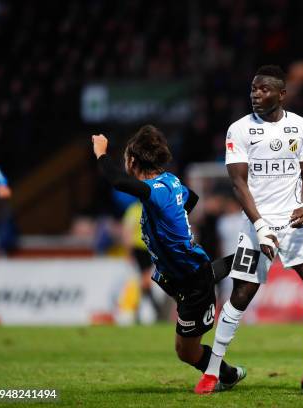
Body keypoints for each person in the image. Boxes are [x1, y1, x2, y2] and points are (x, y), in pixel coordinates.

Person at [196, 65, 303, 395]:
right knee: (241, 294)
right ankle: (212, 372)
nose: (256, 94)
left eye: (264, 89)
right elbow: (237, 183)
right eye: (253, 89)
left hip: (296, 220)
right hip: (256, 221)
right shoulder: (239, 130)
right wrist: (259, 226)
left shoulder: (301, 127)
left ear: (281, 94)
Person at [91, 125, 245, 393]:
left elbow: (118, 182)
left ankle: (229, 374)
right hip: (182, 277)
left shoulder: (157, 189)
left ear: (132, 161)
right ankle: (229, 373)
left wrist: (101, 154)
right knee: (184, 348)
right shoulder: (171, 182)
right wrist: (175, 219)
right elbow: (192, 198)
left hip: (192, 282)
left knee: (185, 351)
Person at [122, 201, 162, 322]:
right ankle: (155, 309)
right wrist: (129, 250)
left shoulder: (135, 209)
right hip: (140, 249)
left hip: (146, 249)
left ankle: (140, 310)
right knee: (145, 280)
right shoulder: (143, 209)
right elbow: (128, 231)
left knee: (144, 281)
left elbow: (127, 230)